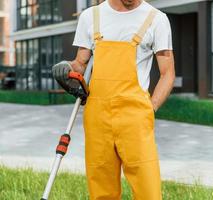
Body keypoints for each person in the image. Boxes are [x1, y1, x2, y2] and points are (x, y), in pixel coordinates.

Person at [53, 0, 175, 199]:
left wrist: (149, 109)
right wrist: (66, 67)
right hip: (97, 117)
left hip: (135, 117)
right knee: (102, 189)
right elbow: (80, 64)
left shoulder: (157, 19)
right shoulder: (91, 16)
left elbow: (167, 73)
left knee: (148, 189)